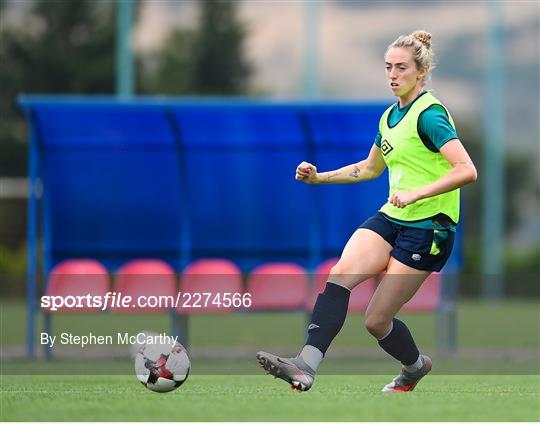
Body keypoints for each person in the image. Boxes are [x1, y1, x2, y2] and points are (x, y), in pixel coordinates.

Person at [256, 30, 477, 393]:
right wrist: (319, 178)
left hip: (429, 228)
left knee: (376, 320)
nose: (393, 75)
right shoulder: (390, 116)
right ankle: (305, 366)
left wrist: (417, 193)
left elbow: (466, 170)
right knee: (340, 273)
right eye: (388, 67)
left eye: (401, 68)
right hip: (392, 217)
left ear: (421, 72)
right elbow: (370, 169)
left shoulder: (430, 116)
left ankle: (415, 366)